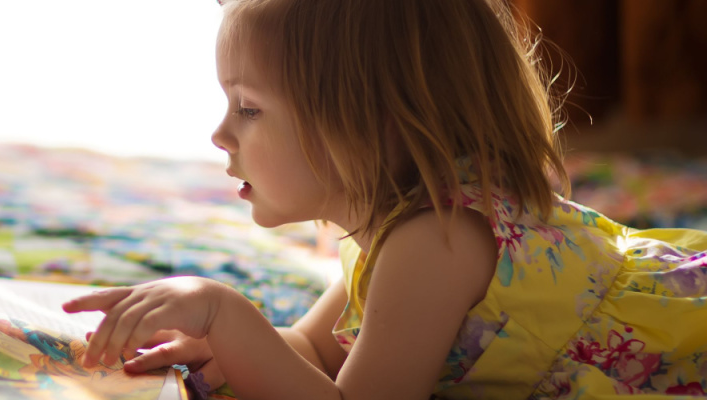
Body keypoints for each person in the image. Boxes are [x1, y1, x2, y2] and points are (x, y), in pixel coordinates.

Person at [62, 0, 707, 398]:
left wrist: (225, 313)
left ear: (365, 125)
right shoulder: (391, 226)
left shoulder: (435, 242)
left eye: (249, 108)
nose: (220, 133)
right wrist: (228, 350)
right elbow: (316, 353)